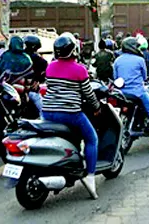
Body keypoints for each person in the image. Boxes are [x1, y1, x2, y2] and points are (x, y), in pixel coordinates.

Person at [41, 33, 100, 199]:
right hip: (69, 114)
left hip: (47, 112)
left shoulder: (50, 66)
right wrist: (96, 108)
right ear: (74, 49)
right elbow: (88, 95)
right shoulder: (80, 70)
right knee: (92, 139)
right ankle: (90, 176)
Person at [114, 37, 149, 152]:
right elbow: (145, 77)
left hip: (121, 93)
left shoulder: (117, 60)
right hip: (138, 92)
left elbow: (115, 78)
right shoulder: (140, 60)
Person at [0, 35, 41, 116]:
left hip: (3, 91)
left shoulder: (4, 56)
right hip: (22, 94)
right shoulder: (27, 58)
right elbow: (29, 79)